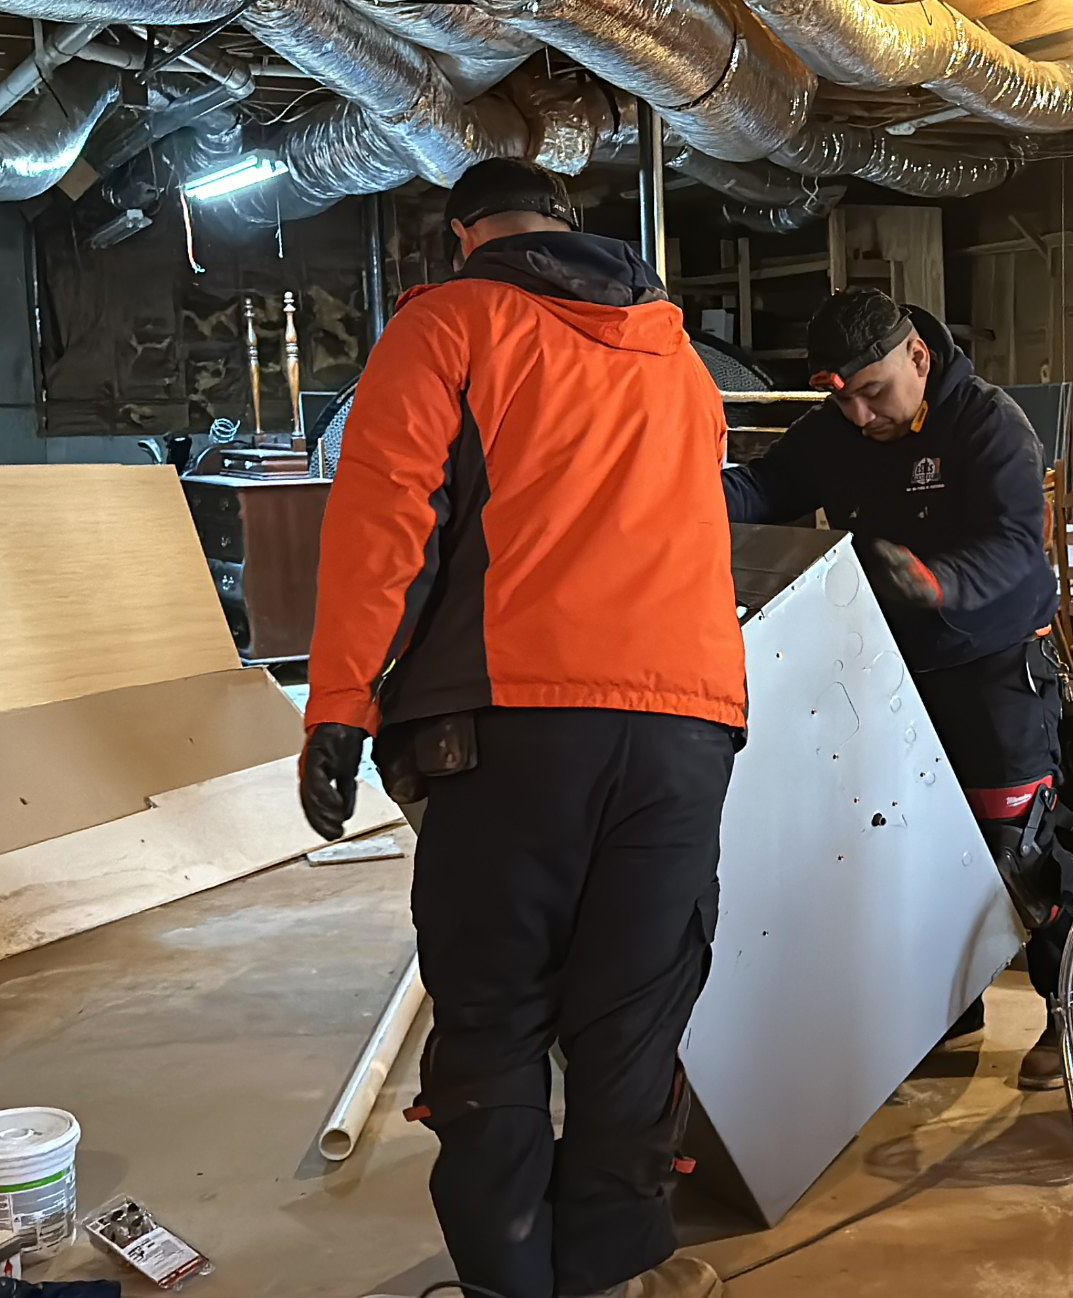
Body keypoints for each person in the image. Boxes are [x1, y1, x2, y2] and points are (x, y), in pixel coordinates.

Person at [297, 158, 743, 1298]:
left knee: (493, 1015)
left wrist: (342, 708)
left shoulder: (450, 324)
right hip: (686, 731)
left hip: (515, 728)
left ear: (465, 236)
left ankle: (509, 1276)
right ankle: (615, 1274)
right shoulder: (679, 360)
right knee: (634, 1014)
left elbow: (383, 518)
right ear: (569, 225)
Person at [721, 287, 1073, 1092]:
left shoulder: (988, 427)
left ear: (917, 357)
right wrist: (690, 492)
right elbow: (766, 488)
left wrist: (932, 580)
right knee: (910, 854)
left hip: (994, 668)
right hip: (886, 671)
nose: (856, 414)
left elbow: (1016, 551)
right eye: (839, 397)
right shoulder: (835, 429)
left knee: (1014, 851)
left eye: (872, 391)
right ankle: (946, 1019)